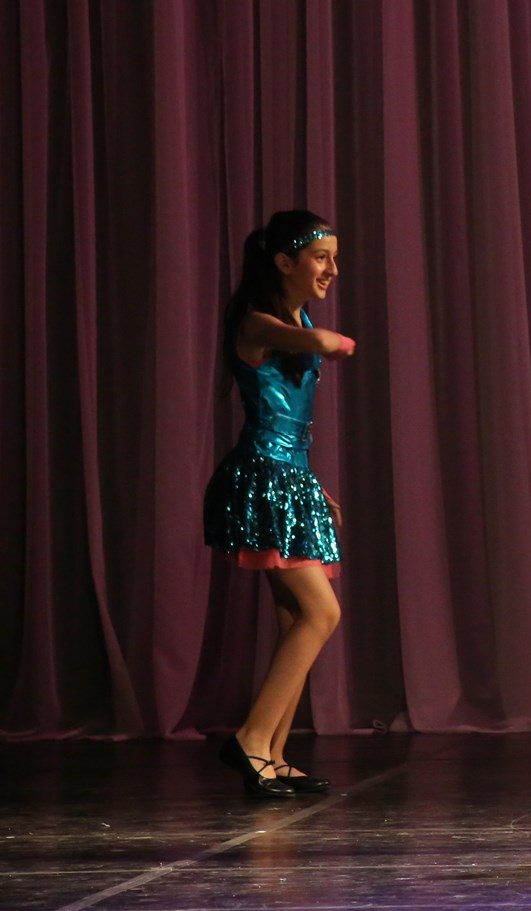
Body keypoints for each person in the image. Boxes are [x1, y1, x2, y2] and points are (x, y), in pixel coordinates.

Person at [203, 210, 354, 797]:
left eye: (334, 258)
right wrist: (335, 341)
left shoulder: (297, 316)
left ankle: (272, 753)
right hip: (262, 478)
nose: (332, 269)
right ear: (285, 262)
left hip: (292, 477)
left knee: (296, 616)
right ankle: (249, 740)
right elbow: (320, 343)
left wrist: (316, 488)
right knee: (321, 613)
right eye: (321, 258)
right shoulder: (257, 321)